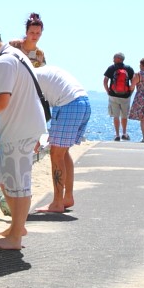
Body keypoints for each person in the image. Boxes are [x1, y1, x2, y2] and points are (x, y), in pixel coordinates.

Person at [0, 21, 47, 249]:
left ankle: (15, 237)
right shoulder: (12, 56)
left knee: (19, 183)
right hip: (18, 128)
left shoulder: (5, 62)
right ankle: (18, 227)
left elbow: (1, 102)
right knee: (1, 175)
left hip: (20, 129)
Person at [31, 65, 91, 214]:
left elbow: (36, 110)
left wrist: (35, 137)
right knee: (63, 153)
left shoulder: (28, 78)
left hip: (68, 104)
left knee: (56, 154)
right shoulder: (42, 72)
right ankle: (67, 197)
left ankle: (57, 203)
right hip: (83, 102)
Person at [103, 52, 135, 141]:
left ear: (118, 59)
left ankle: (117, 135)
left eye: (114, 58)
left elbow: (105, 81)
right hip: (125, 96)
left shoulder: (111, 68)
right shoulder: (129, 68)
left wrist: (108, 91)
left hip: (113, 95)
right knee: (124, 116)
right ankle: (124, 133)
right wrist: (130, 93)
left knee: (116, 116)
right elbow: (133, 82)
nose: (113, 59)